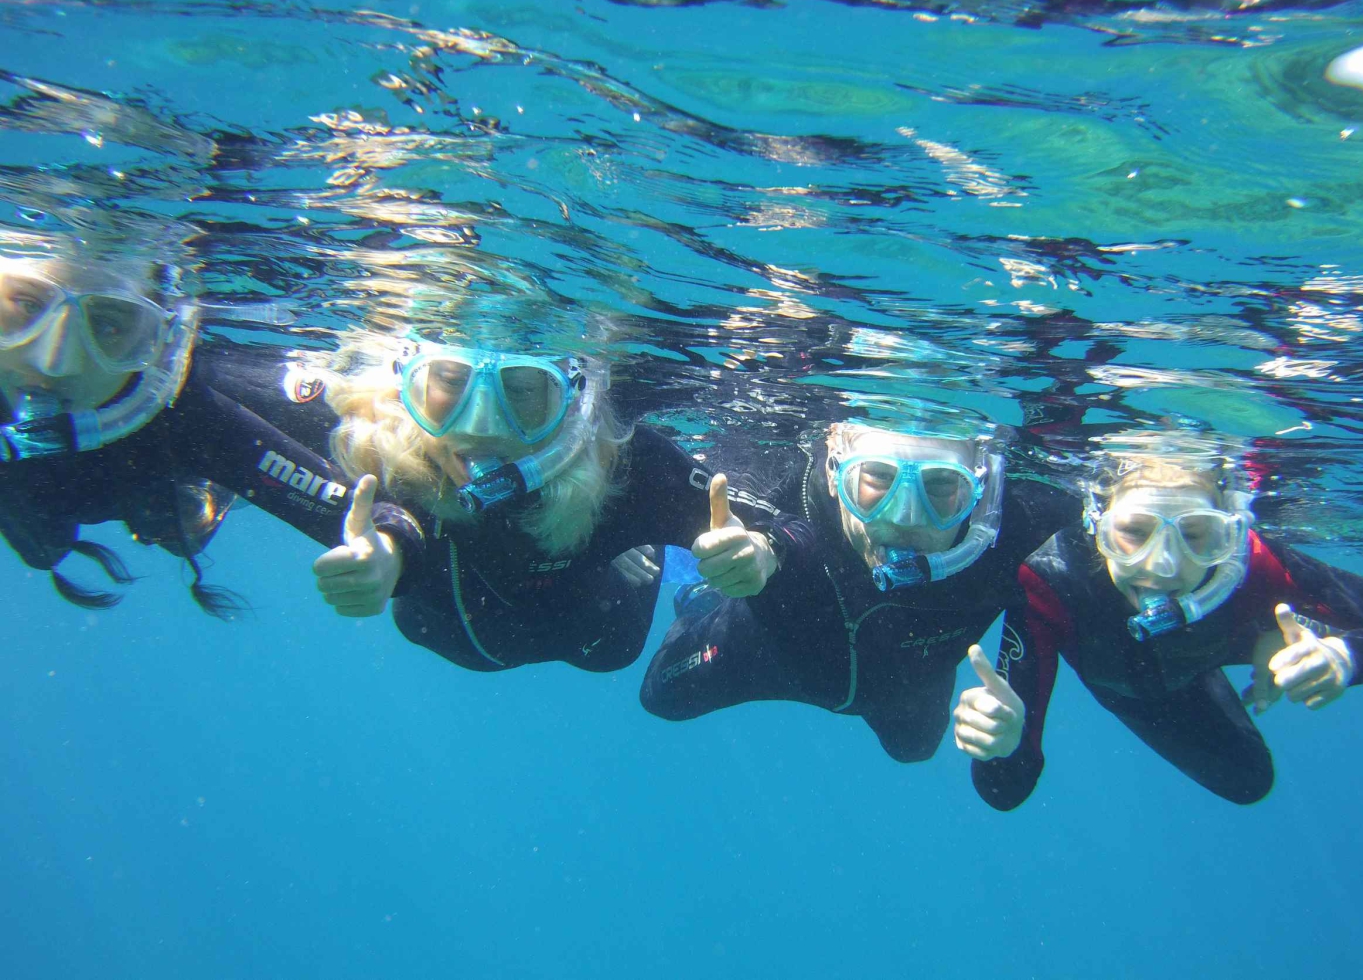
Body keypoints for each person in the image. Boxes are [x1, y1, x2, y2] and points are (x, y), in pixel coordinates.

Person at [955, 449, 1363, 809]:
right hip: (1144, 689)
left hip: (1212, 646)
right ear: (1097, 525)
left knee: (1249, 779)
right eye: (1133, 534)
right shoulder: (1052, 582)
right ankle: (1273, 637)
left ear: (1230, 534)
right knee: (1249, 780)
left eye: (1198, 537)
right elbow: (1007, 792)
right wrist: (1001, 745)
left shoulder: (1257, 563)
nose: (1163, 567)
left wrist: (1347, 656)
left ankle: (1285, 638)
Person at [307, 331, 805, 673]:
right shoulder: (383, 446)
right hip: (446, 632)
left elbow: (779, 528)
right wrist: (389, 549)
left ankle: (630, 543)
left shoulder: (628, 466)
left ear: (573, 400)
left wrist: (760, 550)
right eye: (451, 382)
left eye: (523, 390)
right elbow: (395, 509)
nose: (478, 424)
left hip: (601, 635)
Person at [0, 250, 417, 617]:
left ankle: (207, 491)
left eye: (109, 326)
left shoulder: (191, 418)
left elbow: (364, 511)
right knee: (42, 548)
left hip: (153, 481)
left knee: (174, 529)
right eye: (26, 304)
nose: (55, 360)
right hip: (47, 503)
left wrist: (388, 556)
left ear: (158, 341)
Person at [639, 421, 1079, 762]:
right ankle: (708, 597)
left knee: (916, 750)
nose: (907, 518)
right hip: (769, 651)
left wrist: (1006, 736)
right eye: (879, 480)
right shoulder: (794, 492)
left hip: (907, 686)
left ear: (978, 491)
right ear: (834, 474)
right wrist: (753, 553)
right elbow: (790, 536)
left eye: (942, 485)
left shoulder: (1017, 531)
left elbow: (1004, 789)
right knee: (662, 696)